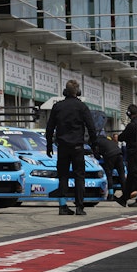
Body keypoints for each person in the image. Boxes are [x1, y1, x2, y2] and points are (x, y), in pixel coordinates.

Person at [45, 79, 98, 216]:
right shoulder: (82, 107)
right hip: (77, 147)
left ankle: (62, 206)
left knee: (63, 175)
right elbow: (91, 127)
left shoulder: (57, 107)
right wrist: (94, 145)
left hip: (62, 146)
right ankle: (79, 207)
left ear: (65, 92)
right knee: (79, 176)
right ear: (78, 92)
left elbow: (50, 128)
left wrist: (49, 145)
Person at [117, 103, 137, 207]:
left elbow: (122, 137)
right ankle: (124, 198)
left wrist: (117, 137)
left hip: (134, 153)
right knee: (131, 176)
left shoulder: (132, 125)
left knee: (136, 175)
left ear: (129, 113)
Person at [93, 134, 124, 201]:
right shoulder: (108, 140)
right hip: (119, 153)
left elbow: (96, 155)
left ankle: (111, 195)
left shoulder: (96, 142)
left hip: (110, 156)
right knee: (121, 175)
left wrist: (100, 157)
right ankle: (125, 194)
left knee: (109, 175)